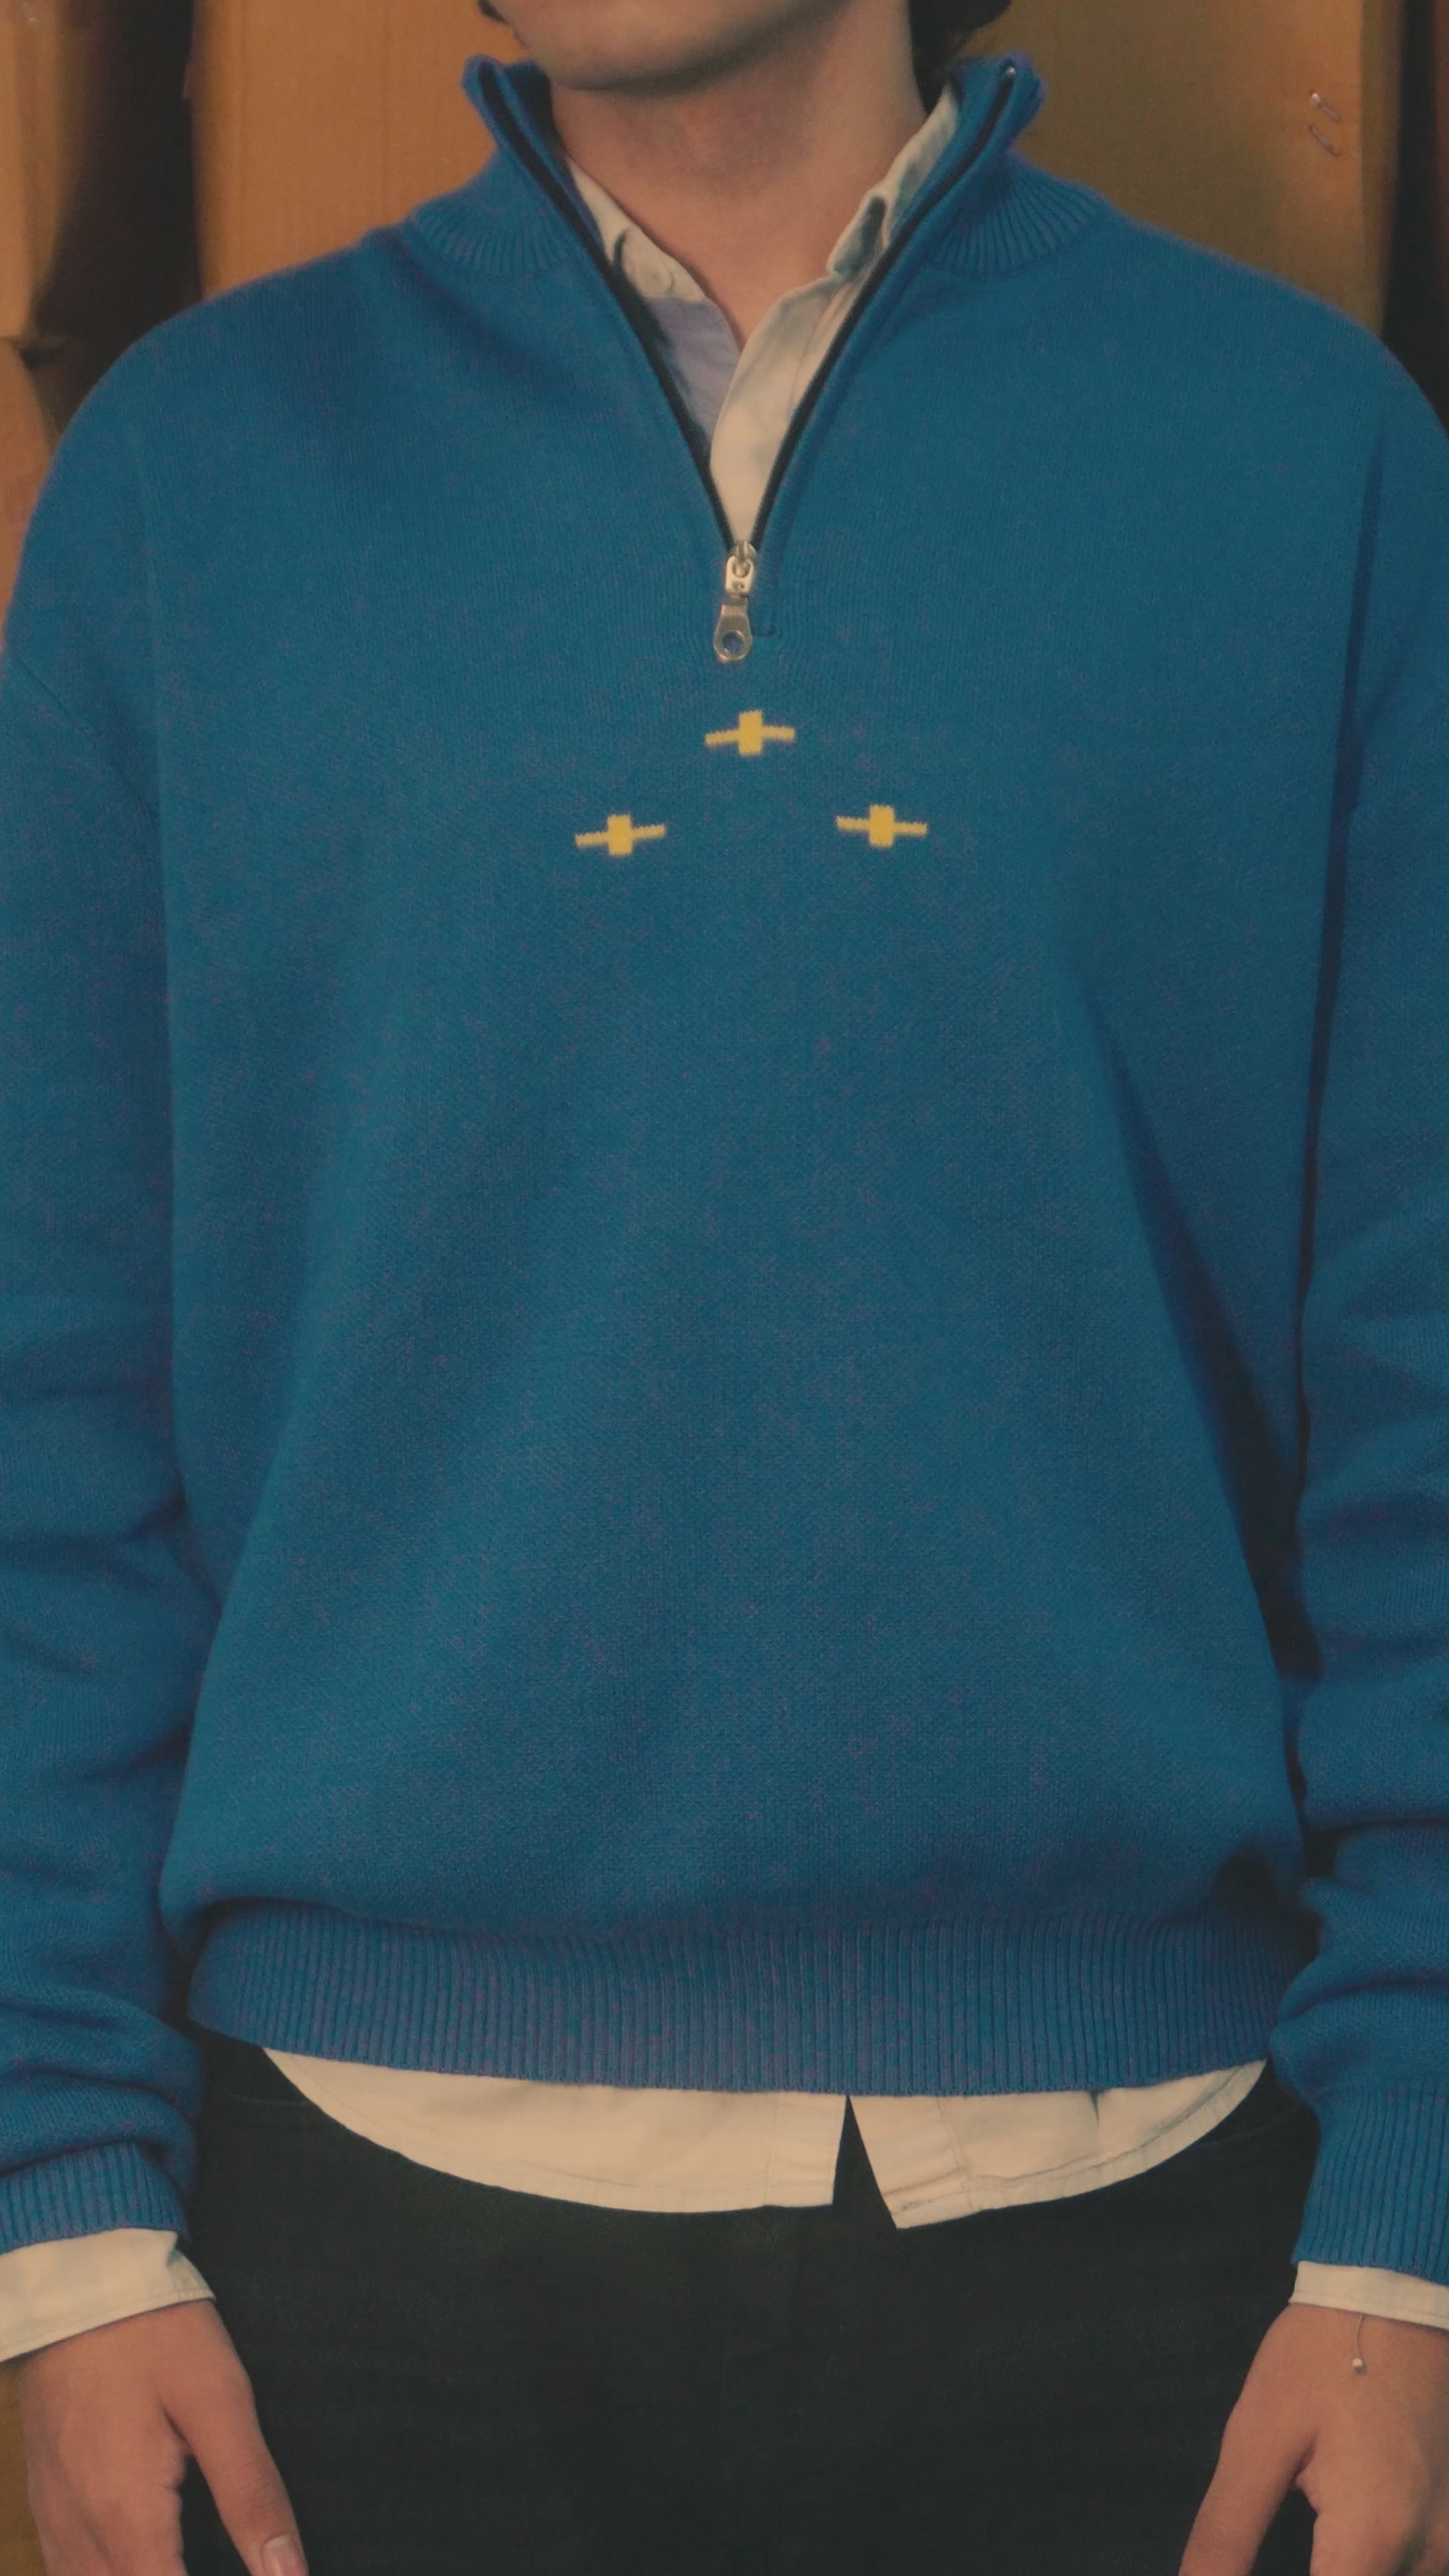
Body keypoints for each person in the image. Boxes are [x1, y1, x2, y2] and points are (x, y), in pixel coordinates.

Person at [4, 0, 1449, 2567]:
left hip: (1170, 2241)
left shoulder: (1308, 460)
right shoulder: (190, 482)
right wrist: (56, 2205)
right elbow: (54, 1395)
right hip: (329, 2248)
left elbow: (1424, 1374)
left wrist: (1418, 2208)